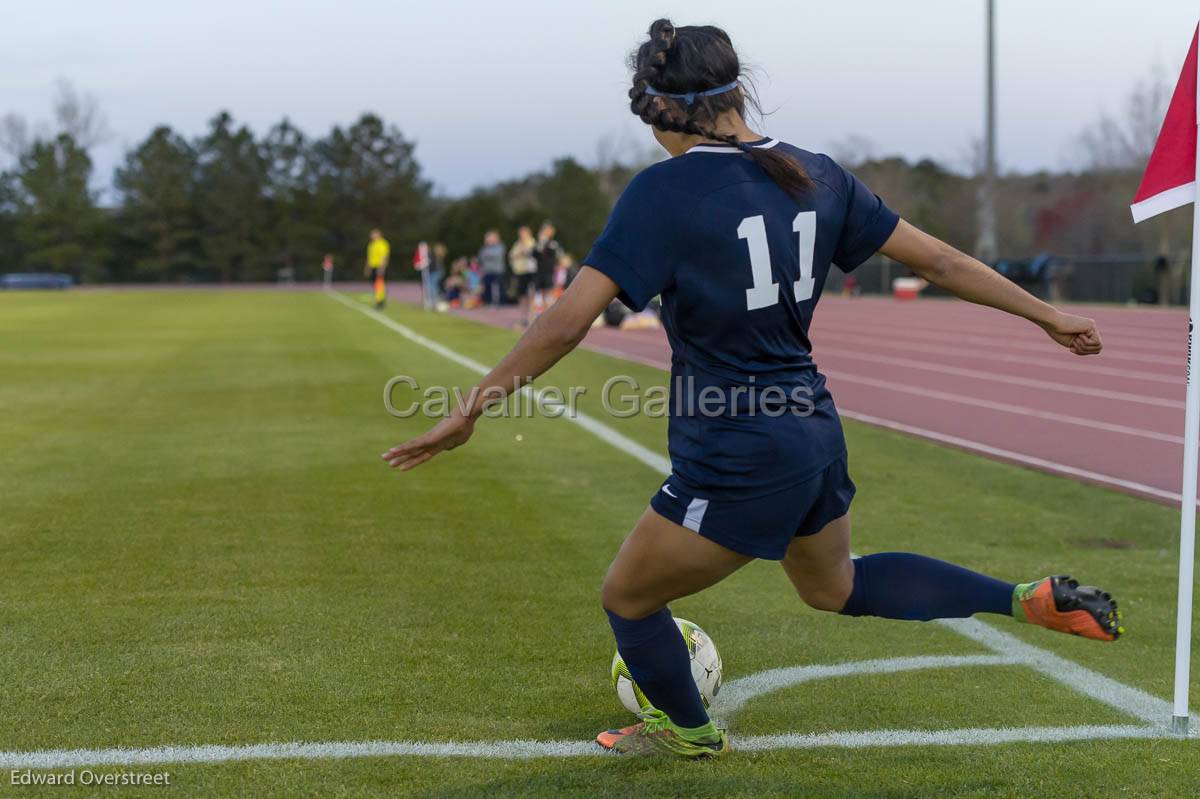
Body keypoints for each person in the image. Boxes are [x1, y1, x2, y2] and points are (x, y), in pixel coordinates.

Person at [382, 19, 1118, 760]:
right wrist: (1045, 313)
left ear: (662, 111)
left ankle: (688, 732)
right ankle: (1022, 599)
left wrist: (467, 409)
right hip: (813, 428)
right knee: (834, 587)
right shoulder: (817, 172)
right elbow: (940, 260)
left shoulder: (664, 192)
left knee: (628, 597)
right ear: (738, 90)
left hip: (738, 447)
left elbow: (565, 323)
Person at [508, 226, 538, 326]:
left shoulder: (532, 242)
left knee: (531, 295)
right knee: (522, 295)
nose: (521, 235)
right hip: (520, 272)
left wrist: (522, 252)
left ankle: (531, 317)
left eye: (523, 233)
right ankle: (523, 317)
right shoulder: (517, 243)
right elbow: (511, 256)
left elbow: (529, 253)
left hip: (530, 272)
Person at [532, 221, 562, 311]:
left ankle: (548, 314)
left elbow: (552, 254)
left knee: (548, 294)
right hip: (539, 271)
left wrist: (544, 243)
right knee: (537, 294)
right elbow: (534, 254)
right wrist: (541, 243)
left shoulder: (553, 243)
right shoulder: (538, 243)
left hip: (549, 272)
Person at [478, 230, 507, 307]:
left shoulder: (500, 246)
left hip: (498, 271)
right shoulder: (484, 248)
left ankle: (501, 303)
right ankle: (488, 302)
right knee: (487, 288)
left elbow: (497, 255)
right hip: (487, 271)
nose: (488, 240)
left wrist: (488, 254)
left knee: (499, 287)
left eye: (489, 238)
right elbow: (481, 257)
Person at [364, 229, 389, 309]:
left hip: (379, 266)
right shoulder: (371, 244)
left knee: (379, 284)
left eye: (374, 234)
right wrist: (367, 268)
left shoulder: (383, 243)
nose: (372, 235)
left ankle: (380, 301)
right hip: (373, 266)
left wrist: (382, 268)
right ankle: (378, 299)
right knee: (375, 284)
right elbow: (369, 257)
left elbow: (384, 256)